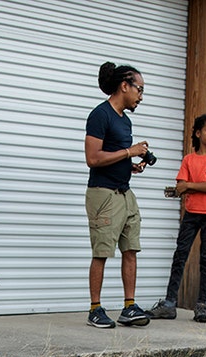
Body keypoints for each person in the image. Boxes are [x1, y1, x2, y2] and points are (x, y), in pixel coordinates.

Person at [83, 61, 153, 329]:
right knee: (101, 252)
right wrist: (129, 152)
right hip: (103, 195)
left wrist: (131, 164)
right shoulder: (100, 115)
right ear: (124, 85)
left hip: (125, 192)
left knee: (131, 249)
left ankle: (129, 307)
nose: (141, 96)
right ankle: (95, 309)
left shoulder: (126, 121)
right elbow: (92, 158)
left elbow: (113, 156)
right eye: (139, 89)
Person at [149, 113, 206, 323]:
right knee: (180, 256)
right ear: (197, 133)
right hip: (191, 214)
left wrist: (194, 186)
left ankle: (201, 305)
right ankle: (169, 303)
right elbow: (180, 187)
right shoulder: (189, 159)